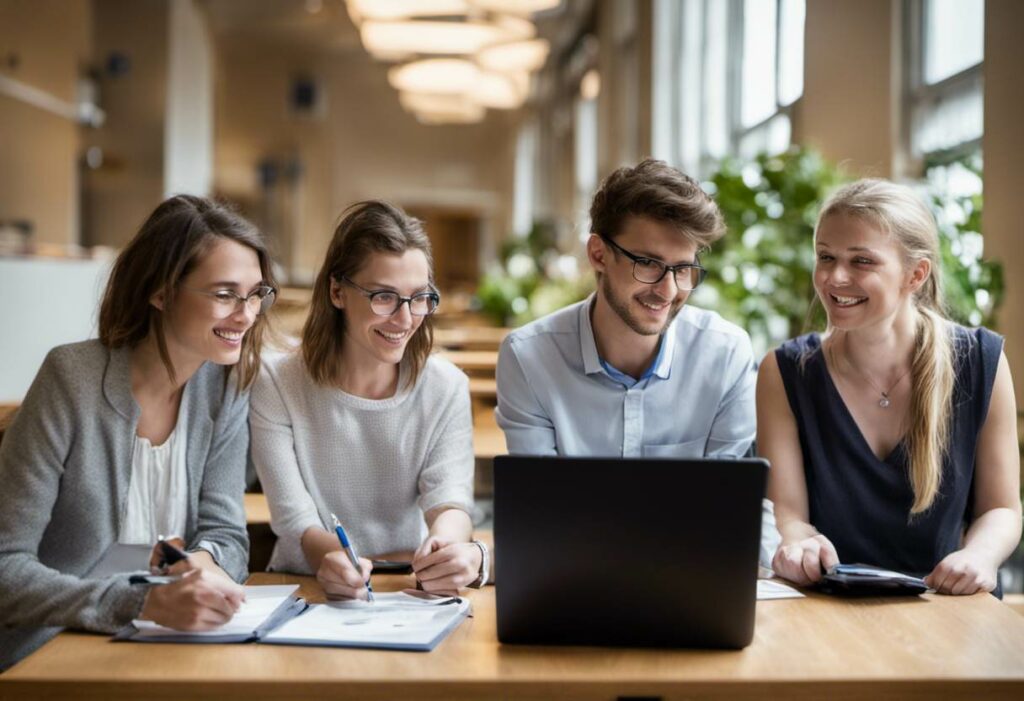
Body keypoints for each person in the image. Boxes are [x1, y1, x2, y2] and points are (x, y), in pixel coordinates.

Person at [0, 195, 278, 670]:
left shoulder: (227, 386)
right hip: (49, 653)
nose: (247, 314)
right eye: (225, 293)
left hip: (169, 646)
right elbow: (7, 569)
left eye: (255, 294)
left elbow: (226, 535)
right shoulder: (71, 378)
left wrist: (199, 566)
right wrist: (142, 603)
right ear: (161, 292)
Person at [496, 158, 779, 565]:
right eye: (648, 263)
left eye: (683, 269)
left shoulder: (726, 353)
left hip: (691, 580)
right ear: (598, 253)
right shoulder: (529, 356)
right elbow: (539, 516)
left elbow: (732, 515)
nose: (668, 290)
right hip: (575, 578)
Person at [758, 178, 1022, 595]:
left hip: (949, 606)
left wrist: (980, 556)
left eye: (861, 261)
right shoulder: (785, 371)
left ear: (915, 274)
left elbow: (1002, 508)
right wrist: (798, 543)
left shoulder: (980, 361)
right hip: (828, 611)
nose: (834, 277)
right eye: (825, 257)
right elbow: (788, 515)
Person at [251, 200, 485, 600]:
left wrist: (446, 545)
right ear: (337, 292)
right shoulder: (276, 381)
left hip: (407, 588)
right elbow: (295, 520)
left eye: (419, 298)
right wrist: (334, 561)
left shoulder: (444, 386)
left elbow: (449, 500)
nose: (405, 318)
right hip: (302, 588)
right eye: (384, 297)